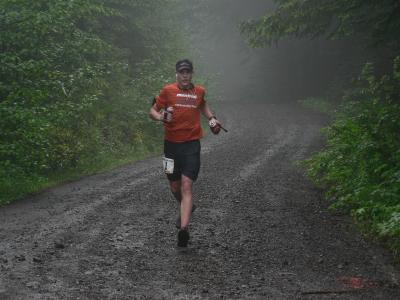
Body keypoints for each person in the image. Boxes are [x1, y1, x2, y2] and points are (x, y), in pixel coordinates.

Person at [149, 59, 222, 247]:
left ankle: (184, 229)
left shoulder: (199, 91)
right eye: (181, 72)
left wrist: (213, 120)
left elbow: (203, 105)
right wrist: (161, 117)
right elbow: (153, 110)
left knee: (187, 184)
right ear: (177, 74)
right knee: (174, 187)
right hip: (170, 146)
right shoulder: (167, 91)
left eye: (187, 72)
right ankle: (188, 208)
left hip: (191, 145)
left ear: (192, 74)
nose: (184, 75)